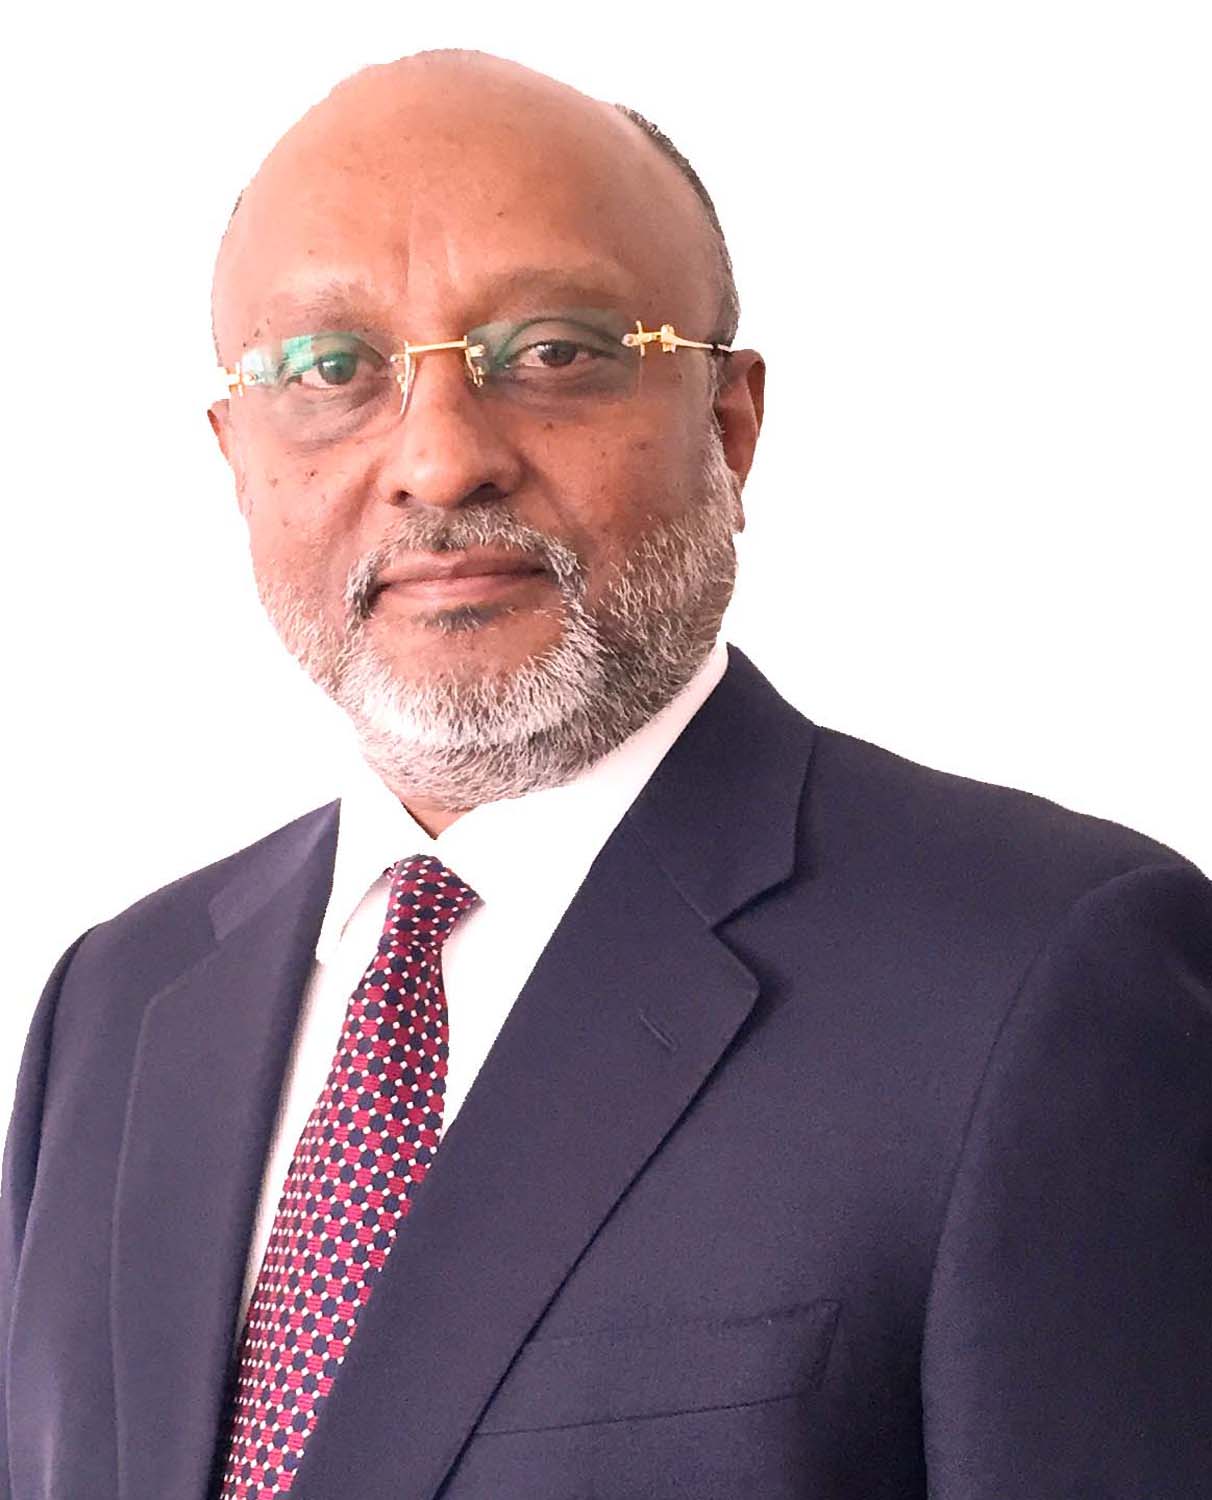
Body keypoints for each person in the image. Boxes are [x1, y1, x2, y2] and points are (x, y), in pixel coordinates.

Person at [1, 47, 1209, 1500]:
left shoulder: (1042, 974)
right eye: (330, 370)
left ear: (730, 427)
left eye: (556, 353)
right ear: (236, 455)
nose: (440, 461)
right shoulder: (115, 1005)